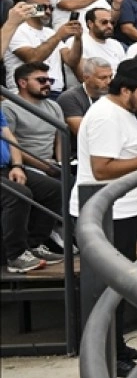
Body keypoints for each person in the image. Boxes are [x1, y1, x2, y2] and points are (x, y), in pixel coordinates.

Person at [67, 57, 137, 376]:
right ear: (126, 90)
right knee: (109, 288)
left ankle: (118, 347)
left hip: (123, 214)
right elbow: (102, 168)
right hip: (108, 216)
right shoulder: (106, 117)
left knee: (120, 286)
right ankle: (108, 356)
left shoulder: (123, 111)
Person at [0, 104, 63, 272]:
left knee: (53, 188)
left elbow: (9, 137)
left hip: (6, 167)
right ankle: (16, 255)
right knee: (18, 194)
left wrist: (17, 165)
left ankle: (34, 245)